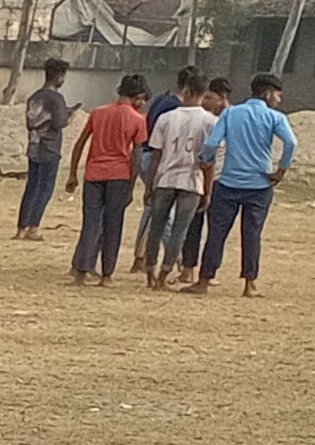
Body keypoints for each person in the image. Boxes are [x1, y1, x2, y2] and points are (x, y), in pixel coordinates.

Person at [193, 73, 299, 296]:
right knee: (252, 234)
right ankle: (249, 284)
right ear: (267, 93)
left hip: (229, 183)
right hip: (259, 185)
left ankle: (204, 280)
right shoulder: (275, 118)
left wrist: (206, 160)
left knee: (217, 233)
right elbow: (291, 142)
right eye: (277, 95)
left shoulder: (231, 113)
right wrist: (281, 170)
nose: (278, 100)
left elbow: (212, 142)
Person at [65, 73, 151, 284]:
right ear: (138, 96)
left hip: (94, 175)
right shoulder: (138, 120)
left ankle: (81, 272)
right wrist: (131, 187)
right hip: (119, 177)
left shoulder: (98, 113)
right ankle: (107, 275)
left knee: (90, 224)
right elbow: (136, 158)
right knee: (114, 226)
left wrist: (73, 173)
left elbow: (79, 144)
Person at [142, 79, 224, 285]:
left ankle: (150, 270)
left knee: (156, 227)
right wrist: (208, 190)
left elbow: (155, 155)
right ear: (203, 94)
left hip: (165, 179)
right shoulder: (211, 121)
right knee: (180, 231)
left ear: (186, 91)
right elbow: (209, 161)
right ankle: (165, 273)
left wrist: (149, 185)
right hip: (192, 181)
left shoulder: (166, 118)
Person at [14, 58, 72, 240]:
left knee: (31, 187)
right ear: (59, 77)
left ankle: (21, 228)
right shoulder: (56, 98)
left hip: (34, 146)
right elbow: (60, 122)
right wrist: (70, 115)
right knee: (45, 188)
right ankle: (33, 228)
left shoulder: (34, 97)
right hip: (49, 148)